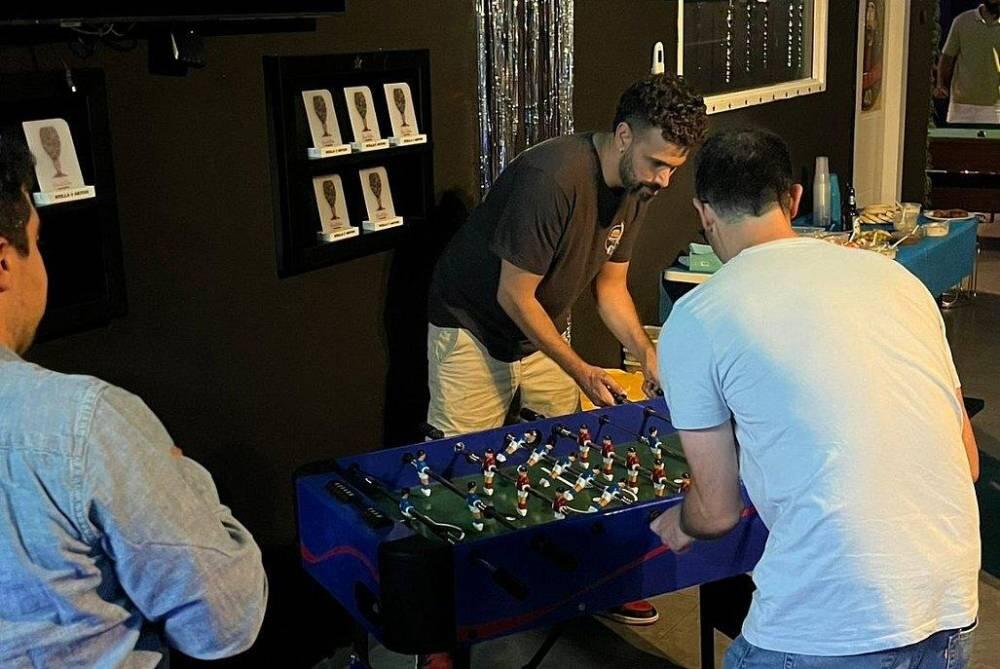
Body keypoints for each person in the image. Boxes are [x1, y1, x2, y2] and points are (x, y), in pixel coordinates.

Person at [650, 128, 980, 667]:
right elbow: (967, 460)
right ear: (795, 199)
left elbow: (717, 511)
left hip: (828, 621)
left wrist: (680, 523)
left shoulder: (698, 316)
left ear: (703, 212)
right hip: (947, 601)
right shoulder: (900, 282)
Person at [0, 131, 267, 667]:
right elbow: (225, 621)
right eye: (38, 239)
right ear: (4, 261)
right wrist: (182, 477)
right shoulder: (83, 425)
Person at [426, 72, 708, 437]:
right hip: (474, 330)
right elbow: (513, 295)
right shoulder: (552, 178)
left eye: (673, 168)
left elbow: (611, 289)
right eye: (657, 163)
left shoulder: (638, 186)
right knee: (463, 459)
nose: (664, 180)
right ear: (624, 136)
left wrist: (647, 355)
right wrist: (581, 371)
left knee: (568, 442)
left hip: (537, 330)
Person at [935, 0, 1000, 124]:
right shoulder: (962, 21)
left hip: (995, 107)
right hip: (961, 105)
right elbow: (947, 57)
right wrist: (941, 85)